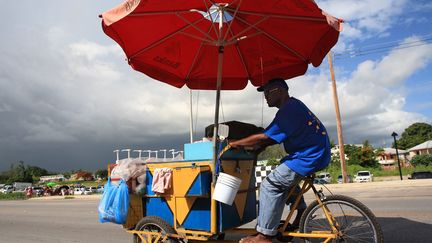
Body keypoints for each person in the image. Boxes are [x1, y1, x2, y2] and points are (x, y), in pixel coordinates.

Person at [229, 78, 331, 243]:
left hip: (308, 156)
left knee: (269, 186)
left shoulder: (288, 110)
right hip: (315, 153)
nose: (266, 97)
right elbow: (271, 138)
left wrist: (235, 143)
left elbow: (264, 136)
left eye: (268, 92)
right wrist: (258, 148)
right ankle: (301, 213)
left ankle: (264, 235)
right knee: (285, 176)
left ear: (281, 90)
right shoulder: (294, 106)